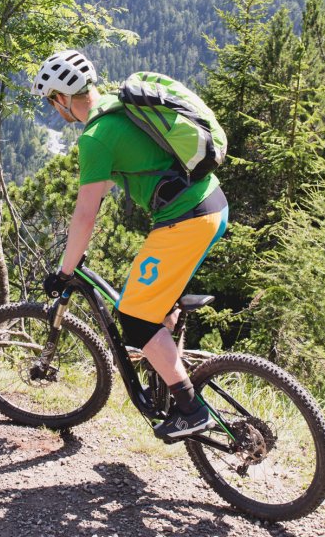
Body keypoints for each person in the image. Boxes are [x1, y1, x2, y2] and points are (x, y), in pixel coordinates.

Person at [34, 49, 228, 439]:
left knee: (134, 318)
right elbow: (105, 188)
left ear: (62, 98)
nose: (55, 109)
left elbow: (86, 213)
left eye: (53, 100)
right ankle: (168, 366)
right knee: (148, 300)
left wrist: (64, 271)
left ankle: (191, 408)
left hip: (187, 220)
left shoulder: (95, 137)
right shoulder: (117, 107)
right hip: (211, 205)